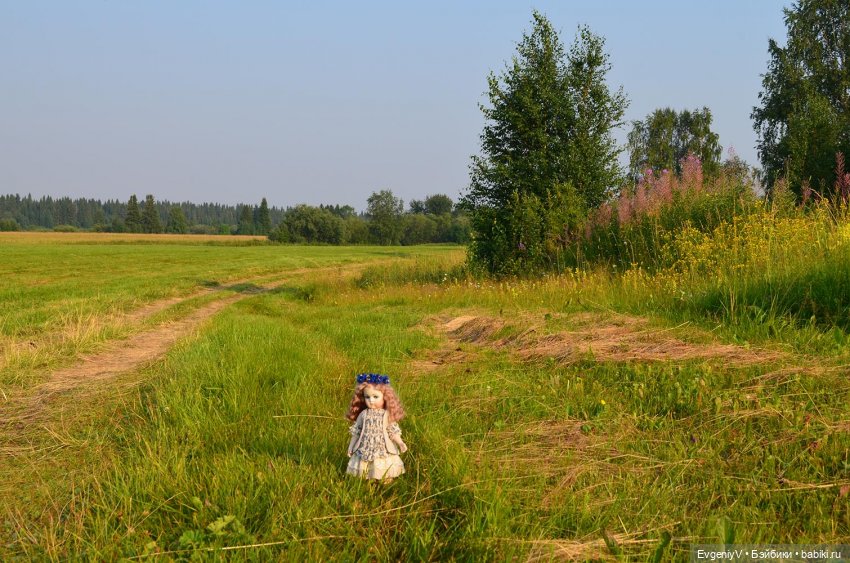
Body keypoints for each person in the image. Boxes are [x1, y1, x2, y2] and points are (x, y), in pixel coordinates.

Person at [346, 373, 408, 481]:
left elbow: (392, 431)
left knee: (383, 464)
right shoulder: (363, 414)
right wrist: (351, 446)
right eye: (367, 397)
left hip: (382, 447)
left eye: (375, 397)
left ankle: (385, 479)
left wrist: (400, 443)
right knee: (366, 464)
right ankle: (369, 479)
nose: (371, 400)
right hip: (365, 446)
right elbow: (356, 432)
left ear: (385, 397)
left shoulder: (386, 415)